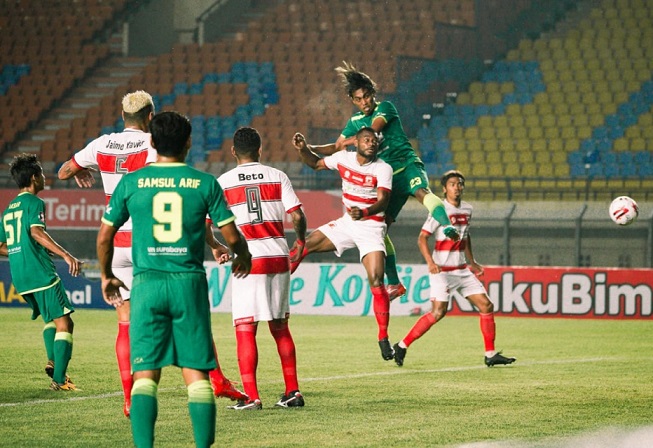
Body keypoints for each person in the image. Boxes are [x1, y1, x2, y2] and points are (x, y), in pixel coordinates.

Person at [58, 91, 246, 417]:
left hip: (117, 246)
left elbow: (62, 171)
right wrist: (214, 244)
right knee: (189, 316)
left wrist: (79, 171)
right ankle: (214, 379)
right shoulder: (155, 145)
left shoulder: (101, 144)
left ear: (122, 115)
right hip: (151, 242)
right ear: (150, 117)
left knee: (126, 324)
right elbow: (177, 198)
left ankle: (130, 397)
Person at [97, 111, 252, 448]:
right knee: (196, 376)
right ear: (189, 142)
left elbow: (105, 236)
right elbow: (231, 234)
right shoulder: (204, 182)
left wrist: (107, 275)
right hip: (188, 284)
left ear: (152, 143)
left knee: (145, 376)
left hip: (147, 284)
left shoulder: (132, 182)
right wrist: (244, 256)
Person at [295, 62, 459, 302]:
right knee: (381, 229)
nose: (365, 102)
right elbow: (336, 146)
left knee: (422, 191)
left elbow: (372, 131)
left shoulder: (386, 107)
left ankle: (446, 225)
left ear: (373, 93)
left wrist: (351, 142)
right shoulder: (354, 122)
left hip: (407, 165)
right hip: (387, 178)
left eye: (367, 96)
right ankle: (394, 284)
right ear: (353, 100)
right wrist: (307, 147)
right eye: (359, 99)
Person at [217, 127, 307, 410]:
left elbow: (206, 223)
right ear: (259, 149)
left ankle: (251, 397)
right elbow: (297, 215)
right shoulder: (277, 175)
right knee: (280, 327)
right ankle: (292, 391)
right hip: (278, 256)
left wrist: (215, 246)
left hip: (248, 260)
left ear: (233, 151)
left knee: (246, 329)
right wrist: (301, 241)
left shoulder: (223, 182)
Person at [392, 170, 516, 368]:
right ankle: (402, 345)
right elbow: (422, 238)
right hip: (441, 272)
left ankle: (490, 354)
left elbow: (465, 236)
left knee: (487, 306)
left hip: (462, 270)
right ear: (444, 189)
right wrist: (431, 263)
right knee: (438, 312)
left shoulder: (467, 209)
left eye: (460, 184)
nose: (457, 187)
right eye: (452, 184)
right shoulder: (439, 209)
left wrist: (472, 261)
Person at [291, 127, 395, 361]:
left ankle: (383, 337)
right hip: (348, 222)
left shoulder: (383, 168)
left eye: (374, 141)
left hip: (371, 227)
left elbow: (384, 200)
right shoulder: (343, 158)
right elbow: (315, 164)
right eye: (366, 140)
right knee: (304, 245)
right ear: (356, 143)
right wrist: (302, 149)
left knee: (377, 280)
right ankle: (277, 282)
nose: (371, 143)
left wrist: (365, 211)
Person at [0, 153, 82, 391]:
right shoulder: (35, 203)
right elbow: (36, 232)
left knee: (51, 320)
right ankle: (59, 379)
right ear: (35, 177)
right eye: (43, 174)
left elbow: (2, 246)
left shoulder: (8, 209)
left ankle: (53, 361)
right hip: (40, 274)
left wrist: (21, 251)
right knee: (66, 324)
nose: (45, 178)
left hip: (21, 276)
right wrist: (66, 254)